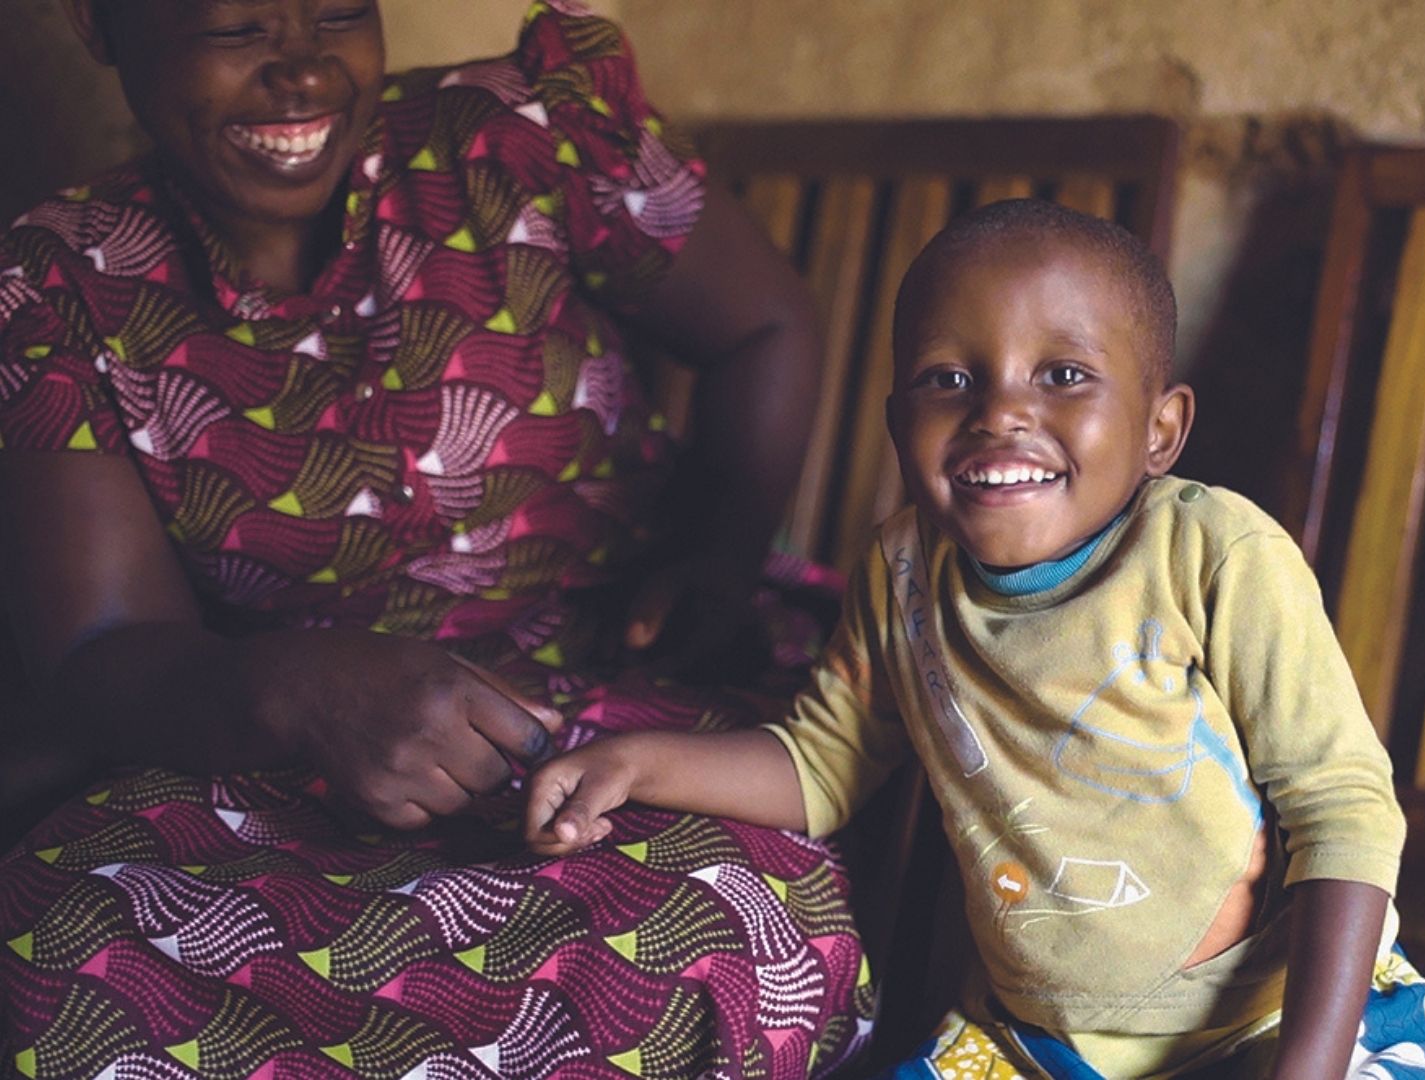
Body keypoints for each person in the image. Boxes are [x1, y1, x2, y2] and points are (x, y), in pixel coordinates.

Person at [0, 0, 872, 1074]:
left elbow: (765, 325)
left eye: (336, 13)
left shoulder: (508, 139)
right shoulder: (63, 283)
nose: (302, 71)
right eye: (236, 29)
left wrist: (718, 556)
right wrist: (297, 695)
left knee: (708, 931)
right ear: (100, 26)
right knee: (68, 937)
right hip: (275, 755)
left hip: (628, 701)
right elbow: (101, 647)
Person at [526, 199, 1425, 1079]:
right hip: (1045, 1044)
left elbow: (1344, 811)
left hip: (1286, 1019)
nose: (1000, 412)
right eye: (948, 378)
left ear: (1160, 429)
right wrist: (638, 766)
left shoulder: (1213, 554)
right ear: (900, 426)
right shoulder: (902, 573)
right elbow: (822, 766)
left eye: (1063, 375)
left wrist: (1309, 1066)